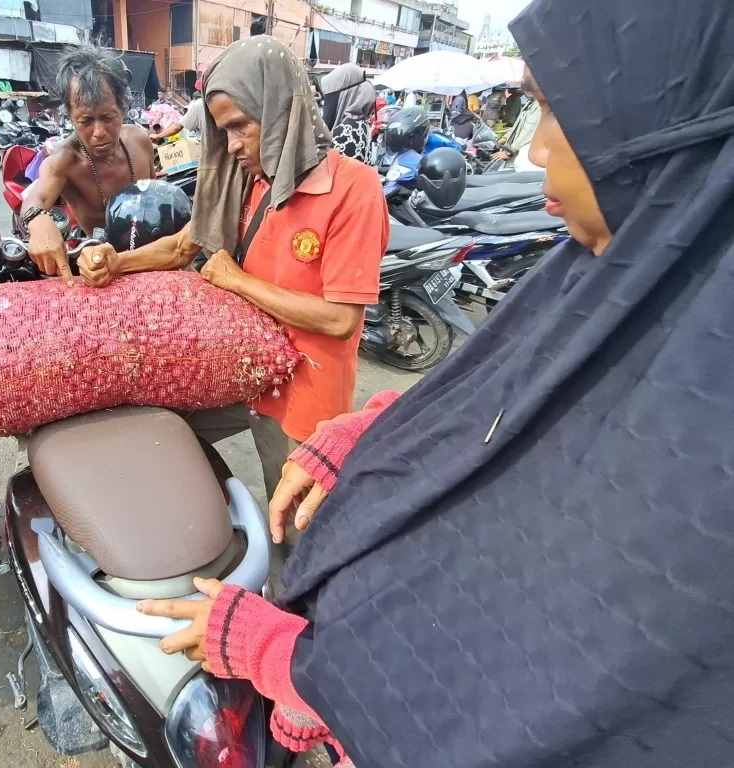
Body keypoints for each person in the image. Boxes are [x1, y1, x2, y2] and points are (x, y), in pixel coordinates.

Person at [139, 1, 734, 766]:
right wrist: (378, 432)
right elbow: (486, 398)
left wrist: (294, 659)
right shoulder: (605, 283)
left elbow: (507, 665)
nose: (534, 153)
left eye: (558, 113)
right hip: (277, 401)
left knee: (295, 541)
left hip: (307, 392)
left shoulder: (351, 191)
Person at [77, 36, 388, 502]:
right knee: (159, 430)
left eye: (241, 127)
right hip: (237, 370)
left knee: (292, 517)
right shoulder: (245, 180)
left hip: (304, 396)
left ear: (282, 109)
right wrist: (115, 261)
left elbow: (340, 320)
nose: (233, 145)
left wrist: (235, 280)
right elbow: (186, 246)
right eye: (223, 131)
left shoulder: (353, 190)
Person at [21, 46, 155, 278]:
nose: (99, 132)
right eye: (85, 121)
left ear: (122, 108)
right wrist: (37, 220)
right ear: (70, 117)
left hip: (151, 260)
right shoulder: (64, 161)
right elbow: (36, 198)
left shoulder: (140, 140)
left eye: (107, 117)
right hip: (101, 271)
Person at [319, 63, 377, 162]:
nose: (328, 106)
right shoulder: (361, 123)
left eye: (331, 98)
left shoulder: (346, 131)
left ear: (346, 96)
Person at [493, 95, 540, 163]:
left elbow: (527, 131)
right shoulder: (530, 102)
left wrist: (510, 151)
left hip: (527, 152)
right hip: (518, 149)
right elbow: (517, 125)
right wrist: (505, 138)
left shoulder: (539, 106)